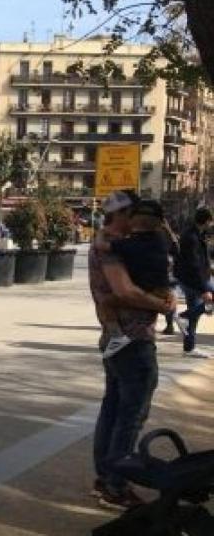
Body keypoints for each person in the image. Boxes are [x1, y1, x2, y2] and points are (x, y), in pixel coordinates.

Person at [89, 190, 175, 509]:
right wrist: (162, 305)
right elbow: (124, 290)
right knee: (130, 415)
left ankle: (106, 477)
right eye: (134, 214)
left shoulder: (115, 243)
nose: (139, 222)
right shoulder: (112, 247)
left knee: (113, 410)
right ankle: (115, 484)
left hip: (118, 339)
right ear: (123, 215)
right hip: (131, 340)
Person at [94, 201, 178, 359]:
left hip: (145, 291)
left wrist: (101, 232)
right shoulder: (160, 240)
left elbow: (101, 245)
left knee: (105, 302)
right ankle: (175, 316)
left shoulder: (129, 244)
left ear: (132, 221)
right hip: (162, 289)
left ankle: (117, 336)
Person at [173, 207, 214, 358]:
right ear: (207, 220)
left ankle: (189, 348)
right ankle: (183, 316)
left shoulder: (196, 233)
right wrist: (204, 289)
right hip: (193, 280)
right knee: (196, 310)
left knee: (195, 313)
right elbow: (194, 264)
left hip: (193, 278)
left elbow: (203, 258)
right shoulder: (191, 237)